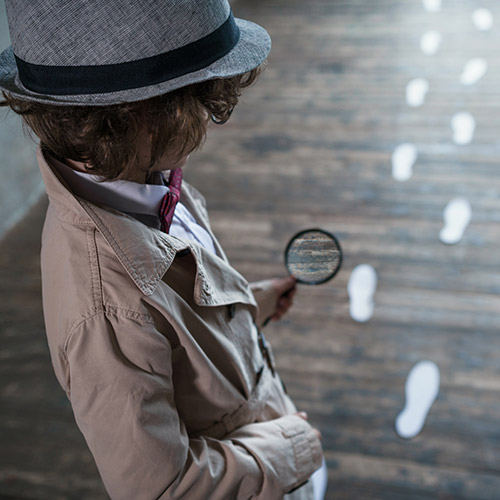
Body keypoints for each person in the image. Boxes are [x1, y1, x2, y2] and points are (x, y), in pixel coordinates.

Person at [0, 1, 327, 498]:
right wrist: (291, 451)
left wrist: (245, 306)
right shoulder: (106, 312)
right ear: (145, 115)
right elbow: (163, 488)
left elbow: (175, 327)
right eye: (203, 98)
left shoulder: (141, 178)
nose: (211, 117)